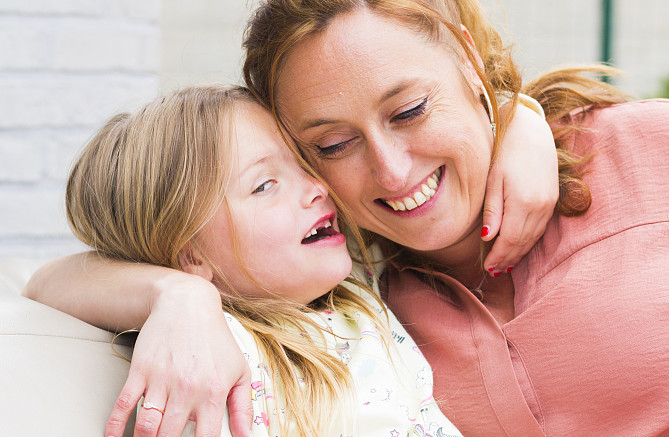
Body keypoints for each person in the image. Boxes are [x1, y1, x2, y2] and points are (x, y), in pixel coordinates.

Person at [28, 0, 669, 436]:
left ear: (467, 57)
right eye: (331, 146)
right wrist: (177, 293)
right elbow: (48, 279)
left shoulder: (658, 157)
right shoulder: (368, 296)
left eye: (408, 111)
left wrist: (518, 113)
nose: (392, 170)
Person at [59, 83, 468, 436]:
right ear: (191, 254)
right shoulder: (217, 351)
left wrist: (522, 125)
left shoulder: (352, 282)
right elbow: (47, 285)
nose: (317, 187)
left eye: (305, 163)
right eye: (265, 184)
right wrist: (179, 296)